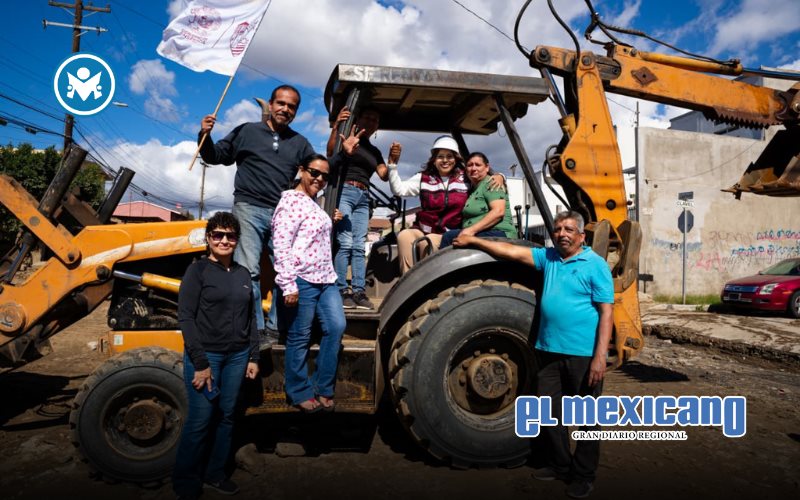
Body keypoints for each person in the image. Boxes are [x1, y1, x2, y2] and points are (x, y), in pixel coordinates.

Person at [453, 211, 614, 499]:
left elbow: (606, 313)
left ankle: (584, 475)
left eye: (569, 230)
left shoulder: (595, 265)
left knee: (587, 418)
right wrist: (475, 241)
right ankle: (561, 465)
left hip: (582, 355)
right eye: (558, 229)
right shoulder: (549, 258)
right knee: (550, 414)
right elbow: (510, 252)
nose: (561, 234)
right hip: (548, 351)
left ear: (581, 236)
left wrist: (600, 357)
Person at [198, 84, 314, 342]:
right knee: (248, 271)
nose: (285, 109)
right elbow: (216, 156)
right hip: (248, 208)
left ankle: (275, 327)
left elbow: (317, 170)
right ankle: (256, 330)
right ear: (271, 105)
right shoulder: (247, 131)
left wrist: (341, 152)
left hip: (283, 213)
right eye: (281, 103)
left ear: (296, 112)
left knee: (288, 271)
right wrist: (204, 135)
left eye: (291, 106)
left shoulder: (300, 143)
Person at [173, 212, 260, 499]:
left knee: (226, 417)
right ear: (209, 238)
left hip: (237, 357)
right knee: (200, 420)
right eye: (218, 235)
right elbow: (186, 318)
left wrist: (253, 356)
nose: (224, 240)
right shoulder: (197, 271)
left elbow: (251, 319)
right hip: (206, 356)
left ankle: (215, 474)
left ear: (237, 239)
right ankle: (186, 482)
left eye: (230, 235)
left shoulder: (243, 274)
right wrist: (200, 363)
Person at [272, 154, 348, 412]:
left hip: (326, 278)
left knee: (336, 326)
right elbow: (281, 245)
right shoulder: (290, 202)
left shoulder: (314, 203)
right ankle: (298, 390)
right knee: (299, 336)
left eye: (325, 176)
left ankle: (323, 386)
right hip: (302, 278)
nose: (319, 179)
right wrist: (288, 284)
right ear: (301, 170)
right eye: (314, 173)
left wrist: (330, 219)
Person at [387, 136, 504, 274]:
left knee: (427, 242)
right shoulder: (423, 178)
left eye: (449, 156)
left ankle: (427, 281)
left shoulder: (465, 178)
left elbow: (482, 175)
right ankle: (408, 280)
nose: (445, 160)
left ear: (456, 159)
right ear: (434, 159)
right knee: (404, 236)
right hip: (424, 228)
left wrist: (500, 176)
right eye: (440, 156)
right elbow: (399, 189)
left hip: (449, 232)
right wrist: (392, 165)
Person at [326, 105, 401, 309]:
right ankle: (341, 290)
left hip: (363, 196)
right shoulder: (346, 137)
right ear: (358, 119)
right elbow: (330, 152)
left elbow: (383, 174)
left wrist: (393, 160)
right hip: (345, 191)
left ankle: (358, 291)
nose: (371, 121)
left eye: (375, 120)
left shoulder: (374, 151)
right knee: (345, 242)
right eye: (367, 116)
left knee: (359, 245)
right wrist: (336, 128)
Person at [439, 152, 516, 248]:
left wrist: (470, 230)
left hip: (499, 233)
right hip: (482, 232)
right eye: (470, 165)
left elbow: (498, 212)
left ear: (487, 167)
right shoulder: (473, 189)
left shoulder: (492, 182)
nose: (473, 168)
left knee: (448, 237)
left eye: (478, 165)